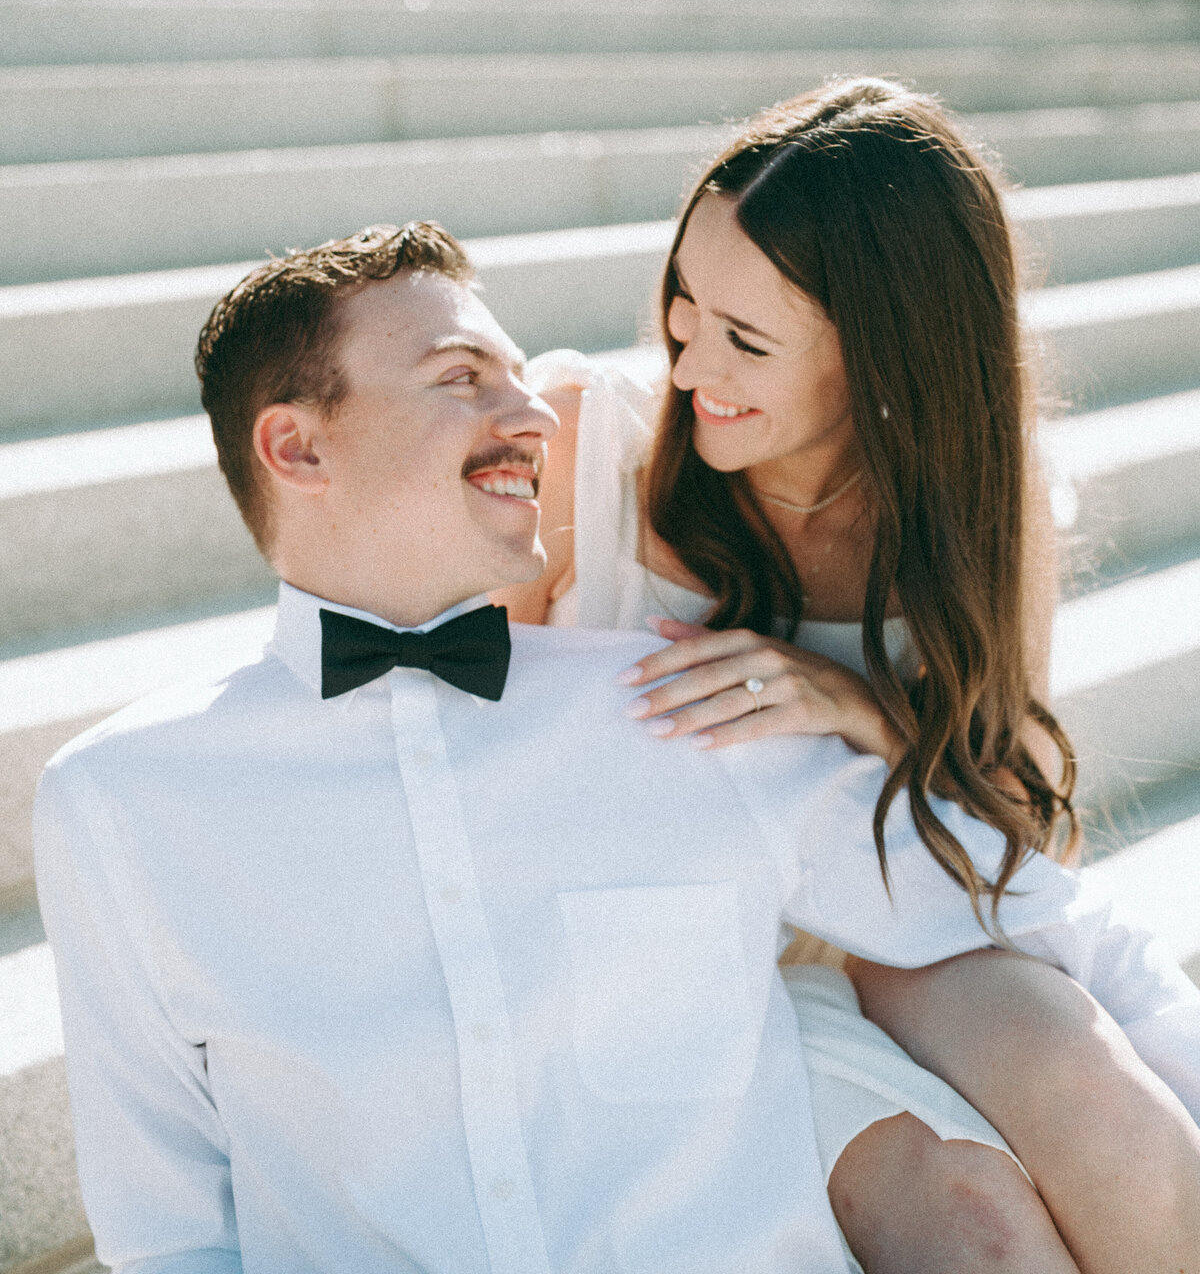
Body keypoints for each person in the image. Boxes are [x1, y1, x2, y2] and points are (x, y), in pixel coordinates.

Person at [34, 222, 1200, 1274]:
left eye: (515, 372)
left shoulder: (678, 703)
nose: (538, 410)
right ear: (295, 449)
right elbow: (173, 1232)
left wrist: (870, 718)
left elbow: (1011, 896)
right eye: (459, 378)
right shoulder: (124, 804)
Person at [497, 77, 1200, 1274]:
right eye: (683, 303)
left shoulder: (970, 499)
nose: (687, 363)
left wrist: (859, 708)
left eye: (747, 341)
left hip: (882, 915)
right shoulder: (582, 447)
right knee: (981, 1235)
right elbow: (455, 754)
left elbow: (1031, 827)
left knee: (1130, 1146)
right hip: (650, 948)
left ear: (886, 354)